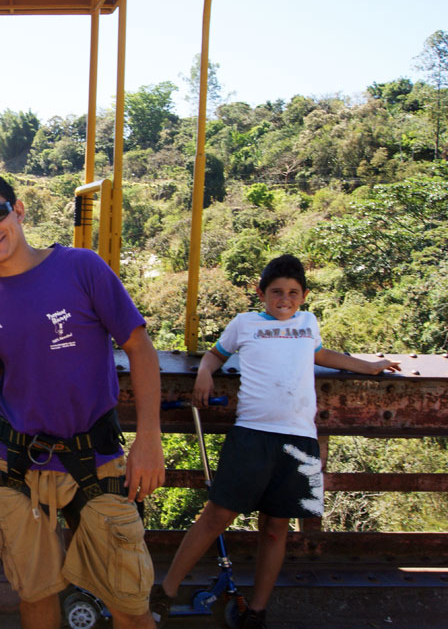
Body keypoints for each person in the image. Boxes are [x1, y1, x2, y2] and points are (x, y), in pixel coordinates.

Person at [0, 169, 165, 629]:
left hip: (97, 457)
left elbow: (139, 347)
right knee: (35, 596)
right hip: (18, 466)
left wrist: (149, 438)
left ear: (18, 210)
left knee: (130, 603)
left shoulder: (81, 268)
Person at [150, 254, 402, 629]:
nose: (285, 299)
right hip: (251, 434)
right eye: (277, 292)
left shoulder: (308, 323)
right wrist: (204, 373)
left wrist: (369, 366)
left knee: (275, 527)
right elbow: (216, 355)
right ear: (261, 293)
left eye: (293, 292)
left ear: (303, 296)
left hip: (299, 439)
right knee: (217, 515)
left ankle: (257, 610)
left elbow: (320, 354)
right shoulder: (245, 323)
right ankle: (165, 593)